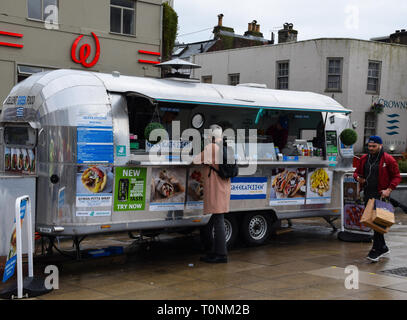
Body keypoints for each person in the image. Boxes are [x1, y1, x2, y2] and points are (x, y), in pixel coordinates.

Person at [353, 135, 401, 262]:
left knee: (377, 222)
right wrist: (358, 178)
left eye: (374, 146)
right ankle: (383, 247)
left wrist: (389, 190)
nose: (371, 148)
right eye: (369, 146)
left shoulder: (388, 159)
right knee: (372, 221)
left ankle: (376, 250)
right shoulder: (364, 158)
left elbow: (397, 176)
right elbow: (356, 172)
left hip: (381, 194)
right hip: (368, 193)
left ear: (380, 146)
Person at [193, 124, 231, 263]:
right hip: (224, 187)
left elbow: (195, 160)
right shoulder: (226, 147)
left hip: (216, 189)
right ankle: (214, 251)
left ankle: (221, 255)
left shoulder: (211, 148)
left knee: (218, 221)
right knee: (216, 220)